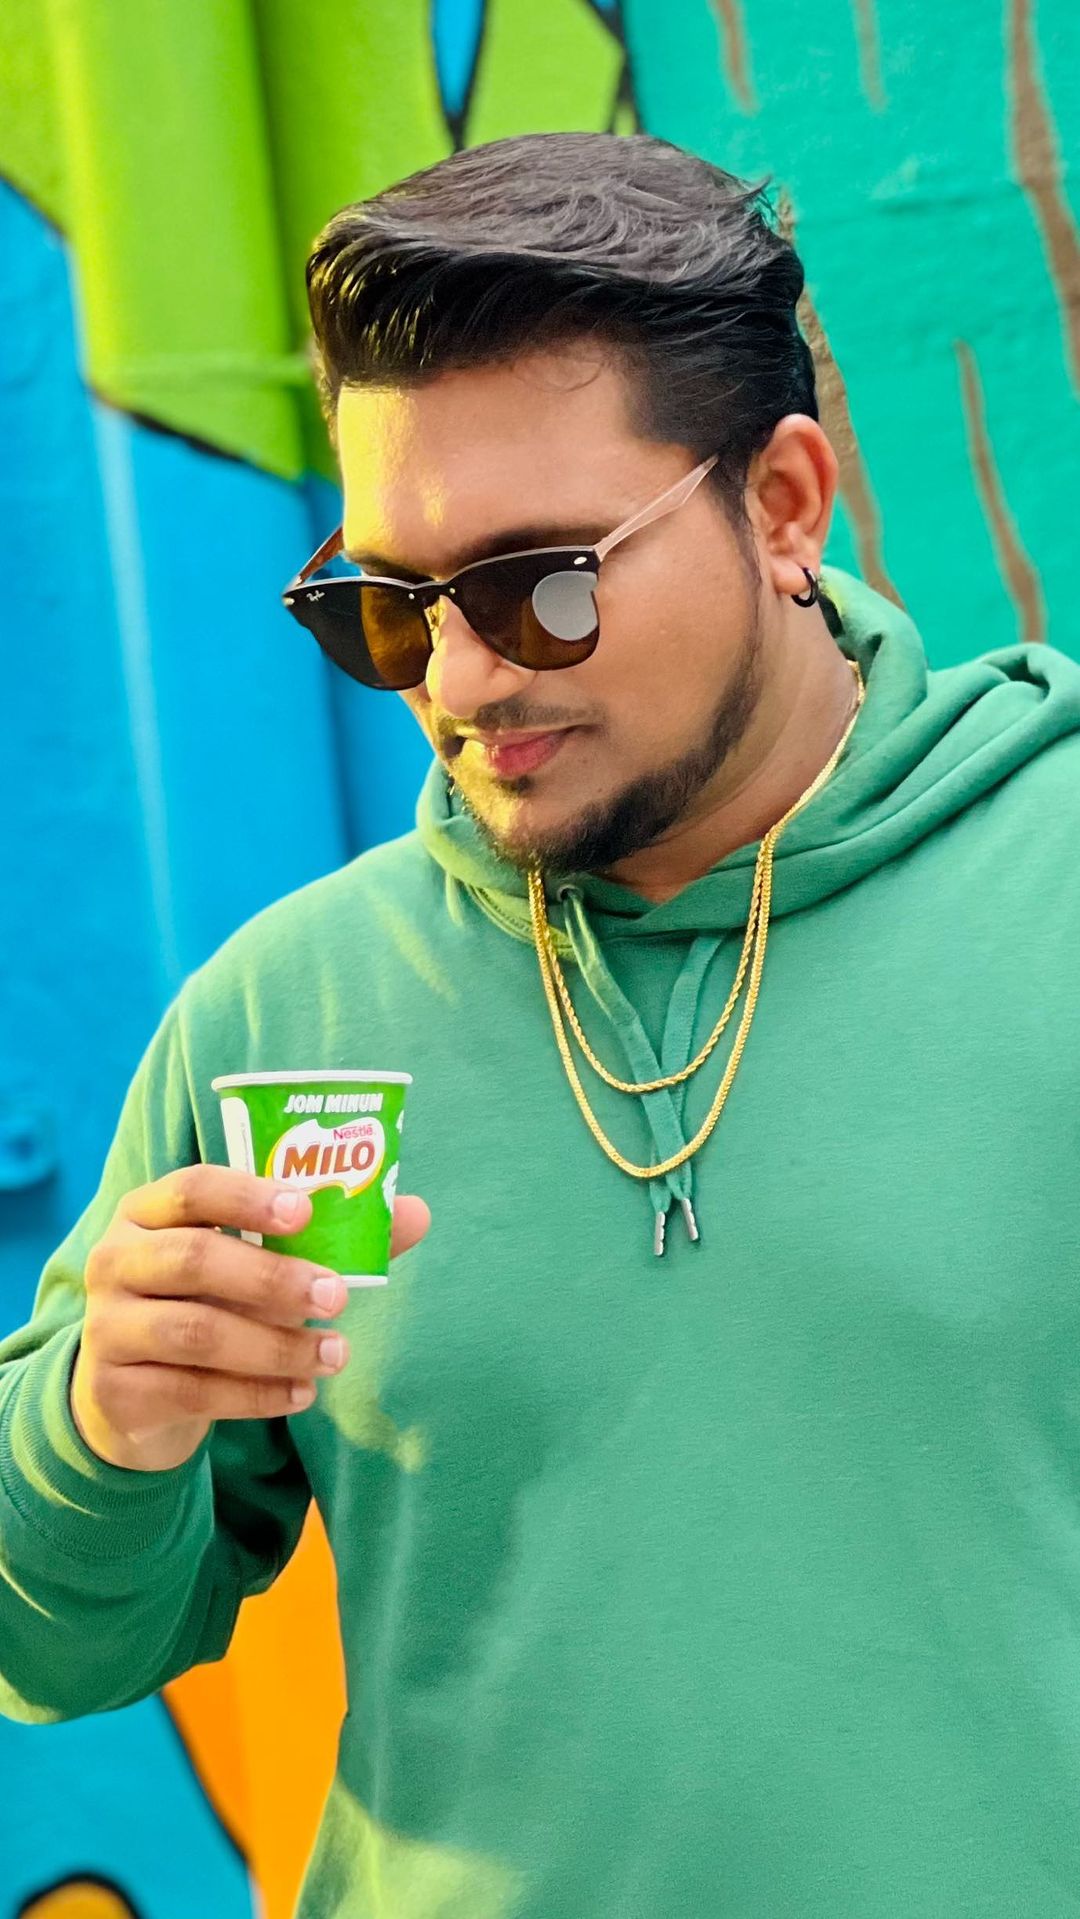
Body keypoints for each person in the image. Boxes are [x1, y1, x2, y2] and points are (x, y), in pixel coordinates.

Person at [3, 130, 1080, 1918]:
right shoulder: (287, 1012)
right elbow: (55, 1649)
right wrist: (94, 1428)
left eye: (540, 588)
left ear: (783, 506)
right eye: (388, 609)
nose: (464, 678)